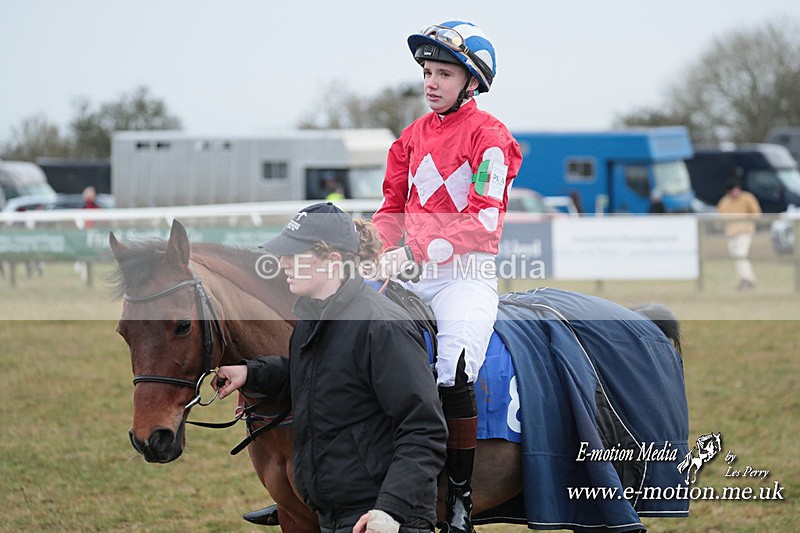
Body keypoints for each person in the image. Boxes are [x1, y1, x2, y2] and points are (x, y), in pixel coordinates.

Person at [371, 20, 523, 533]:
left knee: (454, 368)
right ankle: (327, 480)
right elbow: (390, 208)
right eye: (427, 72)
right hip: (409, 272)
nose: (431, 82)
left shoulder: (492, 138)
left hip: (464, 276)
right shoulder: (409, 138)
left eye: (443, 73)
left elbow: (483, 220)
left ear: (471, 82)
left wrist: (410, 250)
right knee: (343, 337)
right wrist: (380, 248)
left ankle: (458, 496)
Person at [215, 202, 447, 533]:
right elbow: (317, 376)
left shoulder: (382, 326)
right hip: (335, 515)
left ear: (333, 261)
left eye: (295, 256)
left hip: (383, 520)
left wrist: (390, 510)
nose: (282, 264)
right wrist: (251, 373)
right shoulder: (313, 319)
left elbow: (424, 428)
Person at [716, 177, 761, 290]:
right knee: (737, 257)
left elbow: (756, 213)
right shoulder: (724, 202)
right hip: (731, 234)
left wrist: (747, 223)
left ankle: (747, 280)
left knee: (740, 254)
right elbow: (720, 217)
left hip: (744, 232)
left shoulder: (747, 198)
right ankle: (746, 279)